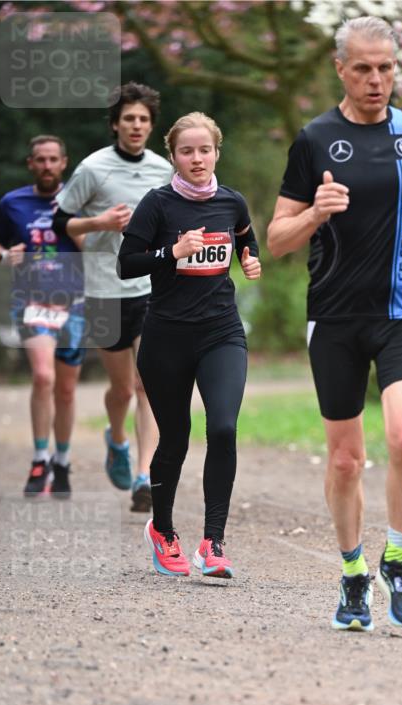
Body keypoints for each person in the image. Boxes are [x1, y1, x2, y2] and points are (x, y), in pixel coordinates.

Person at [267, 15, 402, 631]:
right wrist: (314, 216)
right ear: (341, 69)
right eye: (363, 68)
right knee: (346, 461)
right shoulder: (314, 139)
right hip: (334, 317)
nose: (376, 79)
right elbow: (276, 239)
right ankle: (353, 572)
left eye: (386, 67)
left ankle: (399, 559)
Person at [117, 112, 261, 578]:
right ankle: (162, 530)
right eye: (186, 151)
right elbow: (126, 263)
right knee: (174, 438)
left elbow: (245, 237)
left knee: (222, 428)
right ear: (173, 156)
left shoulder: (232, 201)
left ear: (217, 151)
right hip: (166, 337)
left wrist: (249, 257)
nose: (196, 158)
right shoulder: (157, 205)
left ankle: (213, 543)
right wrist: (170, 253)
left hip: (221, 332)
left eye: (205, 150)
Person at [53, 82, 172, 512]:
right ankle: (116, 439)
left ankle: (145, 477)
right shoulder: (92, 168)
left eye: (143, 119)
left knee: (147, 385)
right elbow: (61, 223)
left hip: (150, 288)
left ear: (150, 125)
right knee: (121, 389)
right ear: (115, 125)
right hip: (103, 288)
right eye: (128, 119)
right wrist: (100, 222)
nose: (136, 125)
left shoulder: (163, 169)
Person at [0, 135, 85, 498]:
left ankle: (62, 460)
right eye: (40, 159)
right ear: (31, 164)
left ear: (64, 163)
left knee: (67, 389)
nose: (46, 165)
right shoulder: (12, 202)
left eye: (53, 159)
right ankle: (40, 457)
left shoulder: (77, 201)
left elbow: (98, 247)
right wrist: (4, 256)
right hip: (30, 301)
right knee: (44, 376)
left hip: (74, 303)